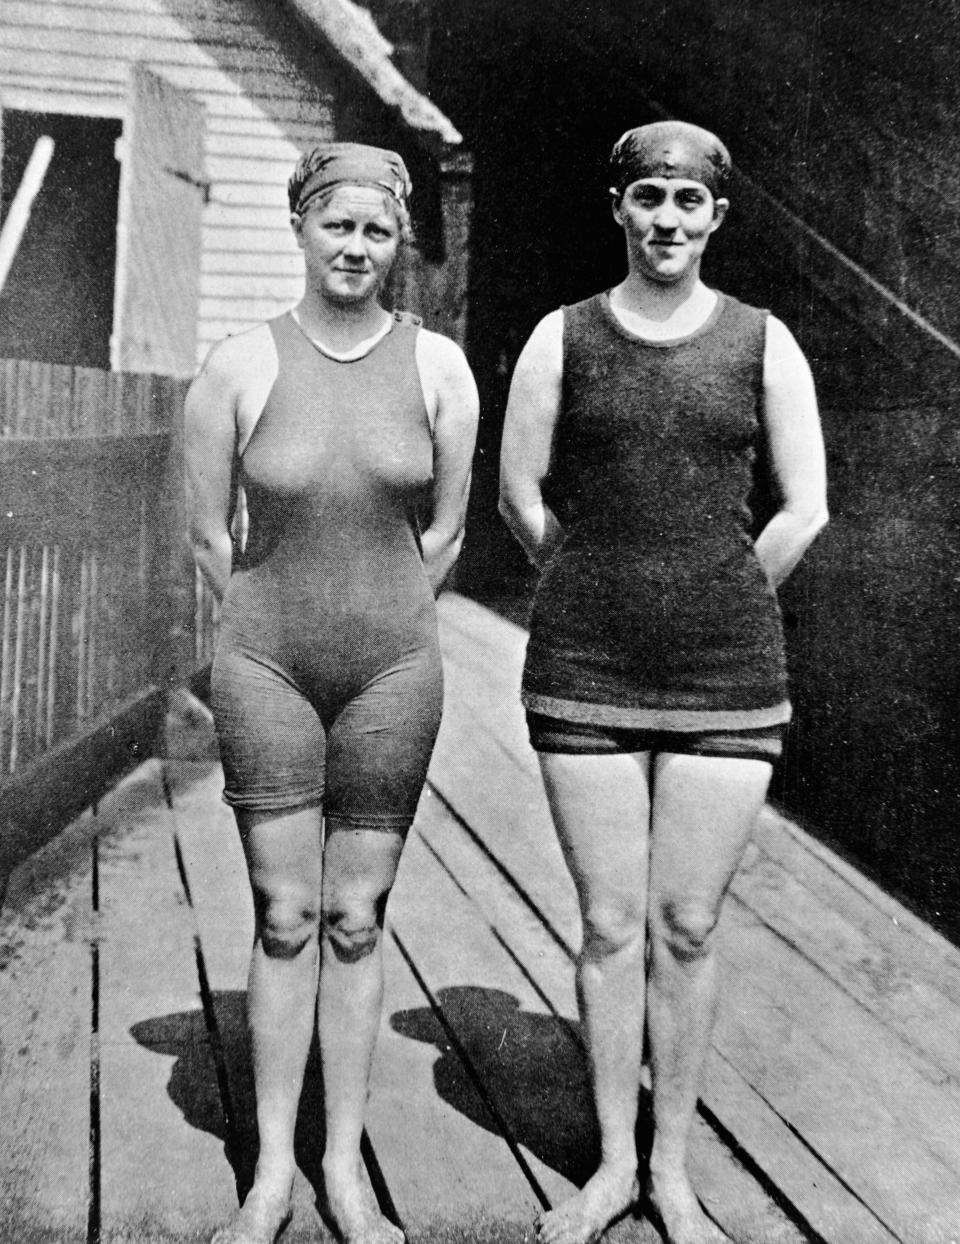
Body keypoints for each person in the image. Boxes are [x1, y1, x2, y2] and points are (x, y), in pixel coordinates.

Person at [499, 121, 828, 1244]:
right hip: (586, 664)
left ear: (717, 216)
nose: (669, 221)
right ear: (620, 206)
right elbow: (519, 496)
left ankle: (672, 1170)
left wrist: (720, 586)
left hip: (728, 671)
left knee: (686, 921)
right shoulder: (562, 336)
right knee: (605, 920)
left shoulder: (762, 341)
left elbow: (805, 505)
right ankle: (609, 1167)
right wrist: (597, 580)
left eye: (691, 203)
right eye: (650, 198)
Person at [185, 142, 479, 1244]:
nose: (355, 247)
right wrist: (271, 622)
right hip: (266, 666)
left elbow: (446, 528)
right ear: (300, 227)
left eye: (377, 230)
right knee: (285, 911)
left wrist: (386, 612)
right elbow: (211, 537)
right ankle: (270, 1172)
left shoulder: (441, 368)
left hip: (395, 670)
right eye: (335, 225)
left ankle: (343, 1165)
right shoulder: (236, 366)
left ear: (400, 240)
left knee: (356, 918)